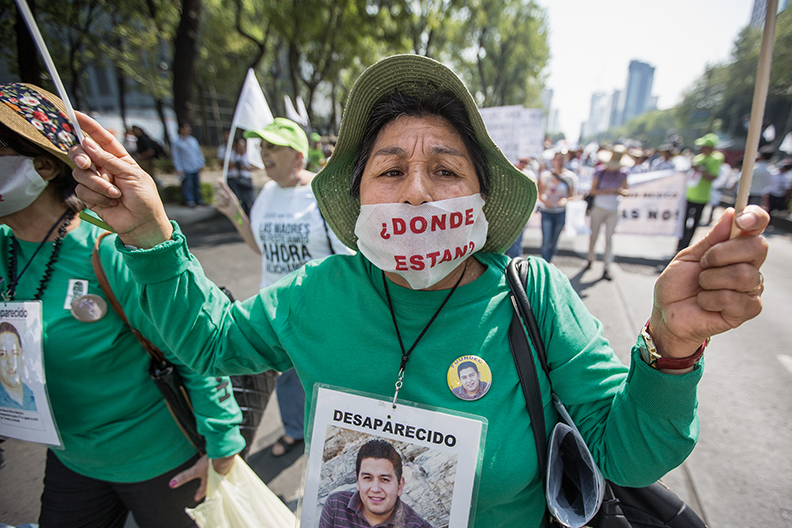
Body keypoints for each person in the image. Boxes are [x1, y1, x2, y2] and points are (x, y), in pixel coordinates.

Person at [70, 54, 769, 528]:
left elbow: (628, 454)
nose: (415, 192)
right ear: (357, 199)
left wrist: (673, 347)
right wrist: (152, 235)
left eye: (445, 169)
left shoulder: (535, 297)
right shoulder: (318, 293)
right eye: (390, 170)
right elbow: (208, 342)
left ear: (480, 196)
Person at [0, 83, 244, 527]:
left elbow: (192, 345)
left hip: (158, 459)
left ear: (42, 165)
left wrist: (221, 444)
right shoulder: (5, 249)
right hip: (71, 459)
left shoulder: (110, 251)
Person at [216, 117, 350, 457]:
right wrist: (234, 212)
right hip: (275, 309)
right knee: (286, 377)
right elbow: (259, 248)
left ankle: (332, 437)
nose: (264, 153)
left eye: (273, 146)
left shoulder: (323, 192)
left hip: (318, 311)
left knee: (322, 378)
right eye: (262, 146)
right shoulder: (267, 193)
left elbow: (347, 259)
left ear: (298, 156)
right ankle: (294, 430)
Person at [319, 439, 433, 528]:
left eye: (385, 479)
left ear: (400, 485)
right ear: (357, 481)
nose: (375, 489)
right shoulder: (336, 505)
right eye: (367, 478)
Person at [586, 145, 631, 280]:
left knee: (609, 239)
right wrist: (607, 191)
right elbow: (592, 191)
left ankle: (607, 267)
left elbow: (626, 190)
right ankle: (590, 258)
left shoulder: (623, 173)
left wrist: (619, 191)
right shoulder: (599, 172)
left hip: (613, 209)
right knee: (594, 235)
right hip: (599, 207)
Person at [677, 133, 724, 251]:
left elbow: (713, 176)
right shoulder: (697, 158)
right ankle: (680, 244)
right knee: (683, 221)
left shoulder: (715, 159)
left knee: (694, 223)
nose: (700, 148)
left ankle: (686, 245)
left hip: (702, 197)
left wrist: (700, 170)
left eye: (703, 146)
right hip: (689, 195)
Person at [537, 150, 577, 263]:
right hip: (547, 211)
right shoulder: (546, 176)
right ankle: (544, 264)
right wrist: (545, 201)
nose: (559, 162)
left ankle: (549, 262)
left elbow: (572, 196)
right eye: (557, 159)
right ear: (553, 161)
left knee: (554, 240)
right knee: (546, 240)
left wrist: (565, 200)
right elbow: (540, 193)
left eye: (562, 159)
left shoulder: (570, 177)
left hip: (560, 212)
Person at [0, 322, 37, 411]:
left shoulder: (36, 397)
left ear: (21, 355)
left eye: (15, 353)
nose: (11, 361)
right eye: (2, 354)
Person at [172, 122, 205, 207]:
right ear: (181, 129)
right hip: (185, 167)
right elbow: (176, 157)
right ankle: (190, 200)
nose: (188, 130)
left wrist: (201, 163)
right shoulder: (177, 143)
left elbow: (198, 152)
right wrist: (179, 168)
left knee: (196, 184)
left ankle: (198, 199)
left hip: (195, 165)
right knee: (188, 185)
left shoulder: (193, 140)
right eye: (186, 128)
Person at [226, 138, 255, 216]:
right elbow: (227, 166)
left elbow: (254, 166)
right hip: (236, 179)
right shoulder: (233, 155)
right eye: (239, 145)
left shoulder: (248, 155)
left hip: (246, 179)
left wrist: (245, 167)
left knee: (249, 200)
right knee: (239, 200)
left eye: (243, 145)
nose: (241, 147)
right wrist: (235, 163)